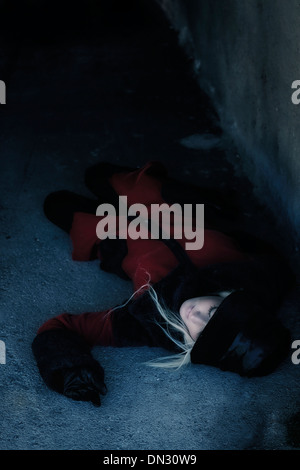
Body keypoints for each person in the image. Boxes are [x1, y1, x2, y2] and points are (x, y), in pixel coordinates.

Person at [32, 161, 295, 406]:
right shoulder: (247, 270)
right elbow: (272, 267)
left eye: (202, 333)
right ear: (229, 296)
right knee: (97, 174)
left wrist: (71, 369)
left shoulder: (149, 323)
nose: (197, 316)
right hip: (165, 204)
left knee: (56, 205)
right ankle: (203, 199)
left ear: (195, 346)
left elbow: (62, 326)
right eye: (214, 311)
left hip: (116, 235)